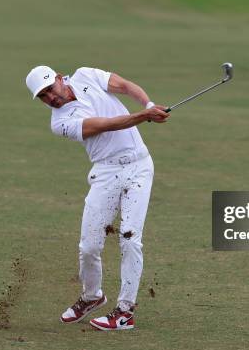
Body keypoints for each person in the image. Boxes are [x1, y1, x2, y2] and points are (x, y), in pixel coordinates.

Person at [25, 65, 169, 331]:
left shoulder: (85, 75)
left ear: (59, 78)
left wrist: (148, 103)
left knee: (130, 238)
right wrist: (144, 115)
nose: (50, 98)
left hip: (139, 167)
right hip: (106, 173)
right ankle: (92, 296)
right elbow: (106, 125)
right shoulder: (60, 122)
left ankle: (125, 311)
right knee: (89, 246)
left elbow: (124, 85)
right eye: (43, 96)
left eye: (50, 89)